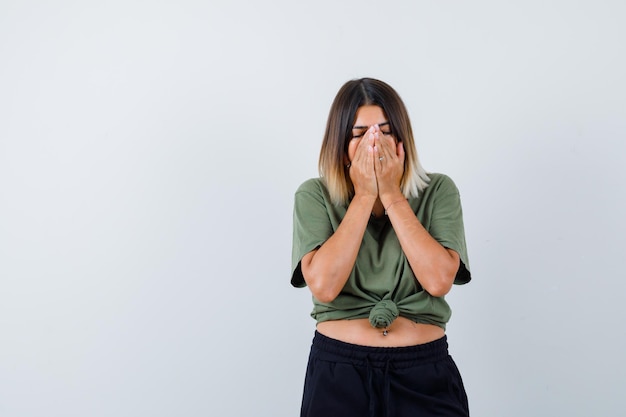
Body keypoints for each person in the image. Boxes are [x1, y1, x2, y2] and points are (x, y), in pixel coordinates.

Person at [290, 78, 472, 417]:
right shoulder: (313, 195)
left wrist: (390, 194)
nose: (374, 143)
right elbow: (325, 286)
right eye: (360, 134)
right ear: (340, 143)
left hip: (423, 373)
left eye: (385, 131)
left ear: (403, 140)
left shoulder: (439, 191)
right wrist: (364, 196)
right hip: (339, 373)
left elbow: (438, 281)